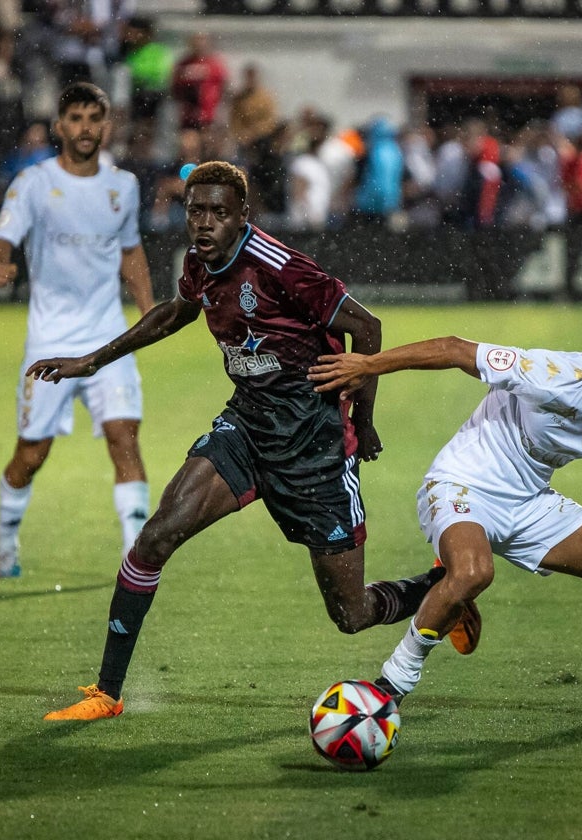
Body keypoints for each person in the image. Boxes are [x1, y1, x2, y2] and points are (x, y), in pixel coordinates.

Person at [32, 161, 450, 721]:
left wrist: (364, 417)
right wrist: (89, 360)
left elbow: (366, 328)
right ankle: (107, 693)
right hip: (248, 429)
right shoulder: (200, 265)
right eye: (195, 211)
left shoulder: (280, 267)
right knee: (157, 536)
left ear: (242, 217)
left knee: (351, 615)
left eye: (218, 213)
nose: (203, 223)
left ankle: (437, 590)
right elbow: (174, 314)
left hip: (314, 448)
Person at [308, 305, 582, 721]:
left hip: (528, 501)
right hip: (462, 484)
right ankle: (388, 688)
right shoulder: (549, 373)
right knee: (473, 573)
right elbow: (454, 350)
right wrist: (368, 365)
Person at [0, 82, 155, 579]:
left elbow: (130, 251)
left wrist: (147, 312)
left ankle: (135, 559)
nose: (85, 128)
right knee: (32, 454)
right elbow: (2, 239)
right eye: (76, 118)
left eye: (94, 118)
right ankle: (5, 543)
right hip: (51, 342)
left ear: (107, 125)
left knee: (124, 438)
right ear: (60, 127)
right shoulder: (34, 183)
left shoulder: (123, 186)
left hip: (109, 339)